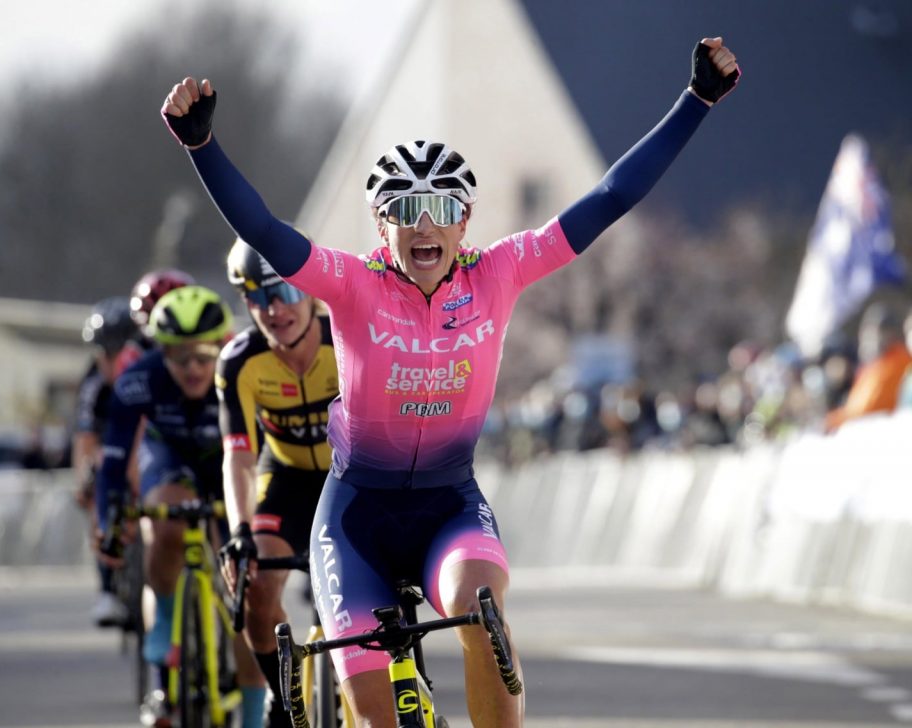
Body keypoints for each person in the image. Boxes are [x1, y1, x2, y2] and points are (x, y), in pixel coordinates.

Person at [161, 37, 739, 727]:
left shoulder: (500, 272)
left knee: (481, 613)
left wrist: (695, 102)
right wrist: (202, 146)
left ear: (465, 220)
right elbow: (261, 227)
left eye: (441, 208)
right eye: (405, 211)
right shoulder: (350, 284)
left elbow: (610, 196)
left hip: (448, 506)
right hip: (355, 518)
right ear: (381, 225)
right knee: (374, 714)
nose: (424, 225)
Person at [93, 285, 266, 727]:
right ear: (160, 351)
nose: (192, 368)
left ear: (222, 345)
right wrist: (108, 519)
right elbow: (113, 462)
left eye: (204, 356)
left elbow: (267, 454)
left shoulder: (245, 368)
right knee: (165, 522)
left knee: (248, 597)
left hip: (229, 462)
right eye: (178, 356)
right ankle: (167, 616)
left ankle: (252, 715)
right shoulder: (139, 380)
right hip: (169, 459)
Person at [217, 239, 338, 727]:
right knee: (257, 585)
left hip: (348, 478)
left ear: (309, 291)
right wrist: (239, 531)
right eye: (258, 297)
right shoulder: (239, 361)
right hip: (284, 476)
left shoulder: (345, 338)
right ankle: (285, 696)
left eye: (285, 291)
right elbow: (239, 456)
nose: (274, 309)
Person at [74, 296, 147, 627]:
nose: (109, 360)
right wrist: (84, 479)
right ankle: (107, 587)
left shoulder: (148, 369)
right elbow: (84, 437)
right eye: (102, 352)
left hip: (144, 441)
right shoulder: (94, 384)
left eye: (115, 351)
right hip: (110, 443)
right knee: (96, 480)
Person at [825, 301, 912, 431]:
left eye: (877, 331)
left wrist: (832, 420)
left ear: (891, 333)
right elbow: (855, 405)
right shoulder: (874, 364)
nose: (870, 337)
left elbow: (870, 408)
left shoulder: (898, 360)